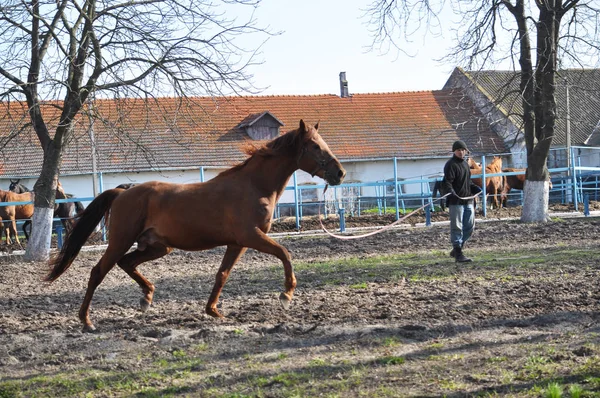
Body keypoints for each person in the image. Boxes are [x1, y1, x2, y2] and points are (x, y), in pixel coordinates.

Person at [441, 140, 482, 263]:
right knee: (457, 227)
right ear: (454, 151)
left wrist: (475, 188)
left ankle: (457, 248)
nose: (461, 152)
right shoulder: (450, 165)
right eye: (458, 150)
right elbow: (447, 182)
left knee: (470, 227)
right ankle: (458, 252)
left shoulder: (465, 165)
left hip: (468, 200)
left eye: (463, 150)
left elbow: (467, 182)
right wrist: (451, 192)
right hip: (456, 202)